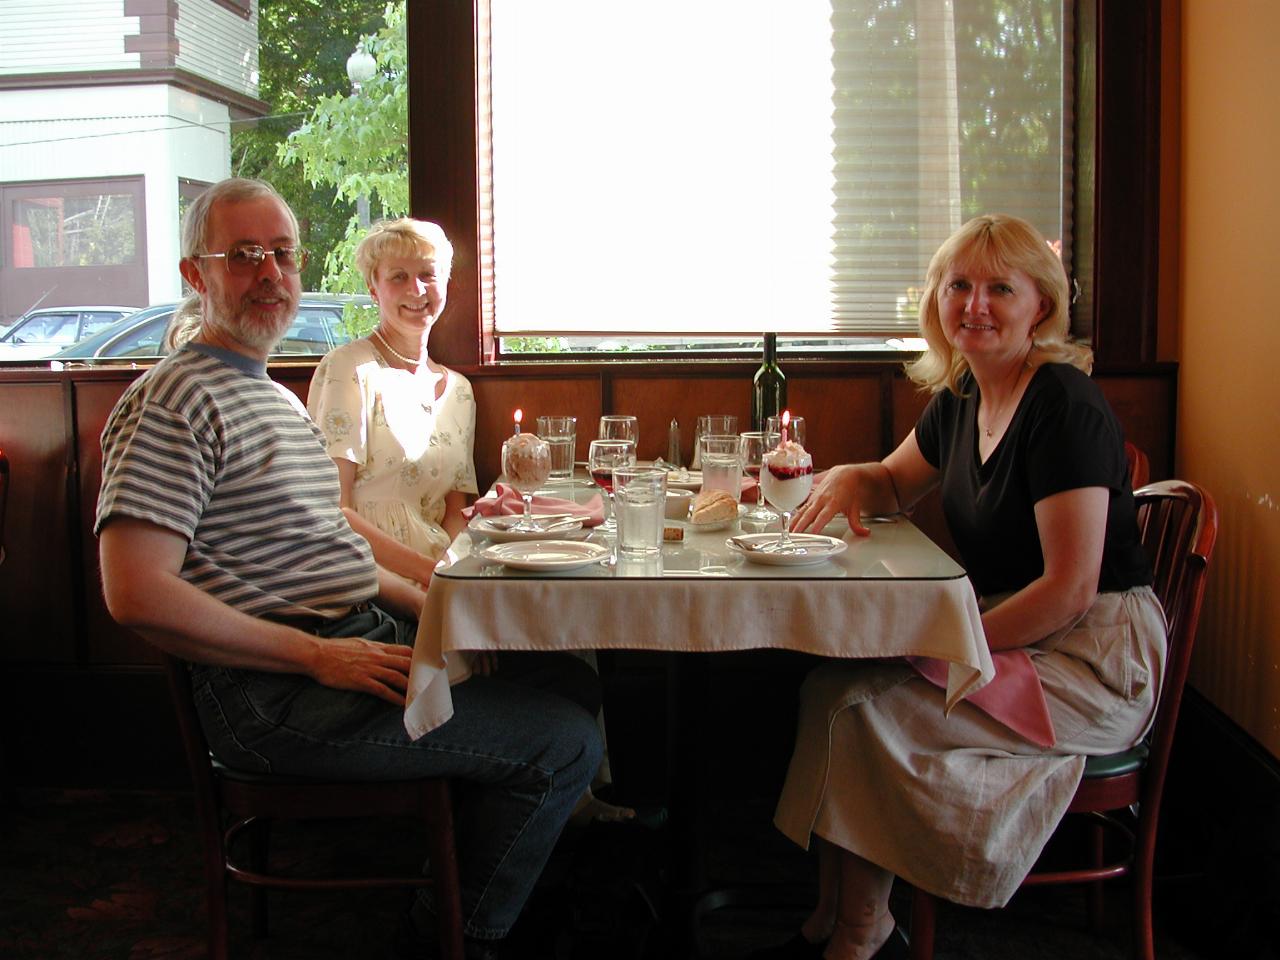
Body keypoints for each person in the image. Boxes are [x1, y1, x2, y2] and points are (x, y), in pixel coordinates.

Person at [94, 177, 603, 960]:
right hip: (277, 695)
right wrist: (317, 656)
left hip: (342, 647)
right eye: (244, 256)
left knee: (565, 679)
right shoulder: (173, 398)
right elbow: (135, 593)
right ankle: (455, 935)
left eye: (284, 254)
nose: (271, 273)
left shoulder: (270, 396)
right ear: (197, 275)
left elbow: (333, 542)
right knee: (566, 739)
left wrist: (434, 599)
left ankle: (490, 881)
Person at [752, 214, 1164, 960]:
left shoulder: (1062, 405)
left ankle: (861, 930)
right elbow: (890, 482)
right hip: (1019, 629)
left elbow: (1070, 590)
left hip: (1095, 656)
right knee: (828, 688)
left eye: (999, 289)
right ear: (936, 299)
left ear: (1039, 307)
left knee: (866, 713)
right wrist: (854, 475)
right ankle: (831, 913)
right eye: (959, 286)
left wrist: (950, 638)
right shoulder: (963, 398)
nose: (974, 304)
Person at [306, 217, 637, 826]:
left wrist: (468, 571)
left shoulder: (457, 388)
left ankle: (568, 799)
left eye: (427, 276)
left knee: (571, 629)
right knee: (556, 661)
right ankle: (532, 802)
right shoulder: (348, 370)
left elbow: (460, 506)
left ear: (447, 285)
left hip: (448, 569)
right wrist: (439, 579)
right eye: (397, 276)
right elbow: (333, 512)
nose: (415, 290)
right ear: (373, 287)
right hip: (380, 583)